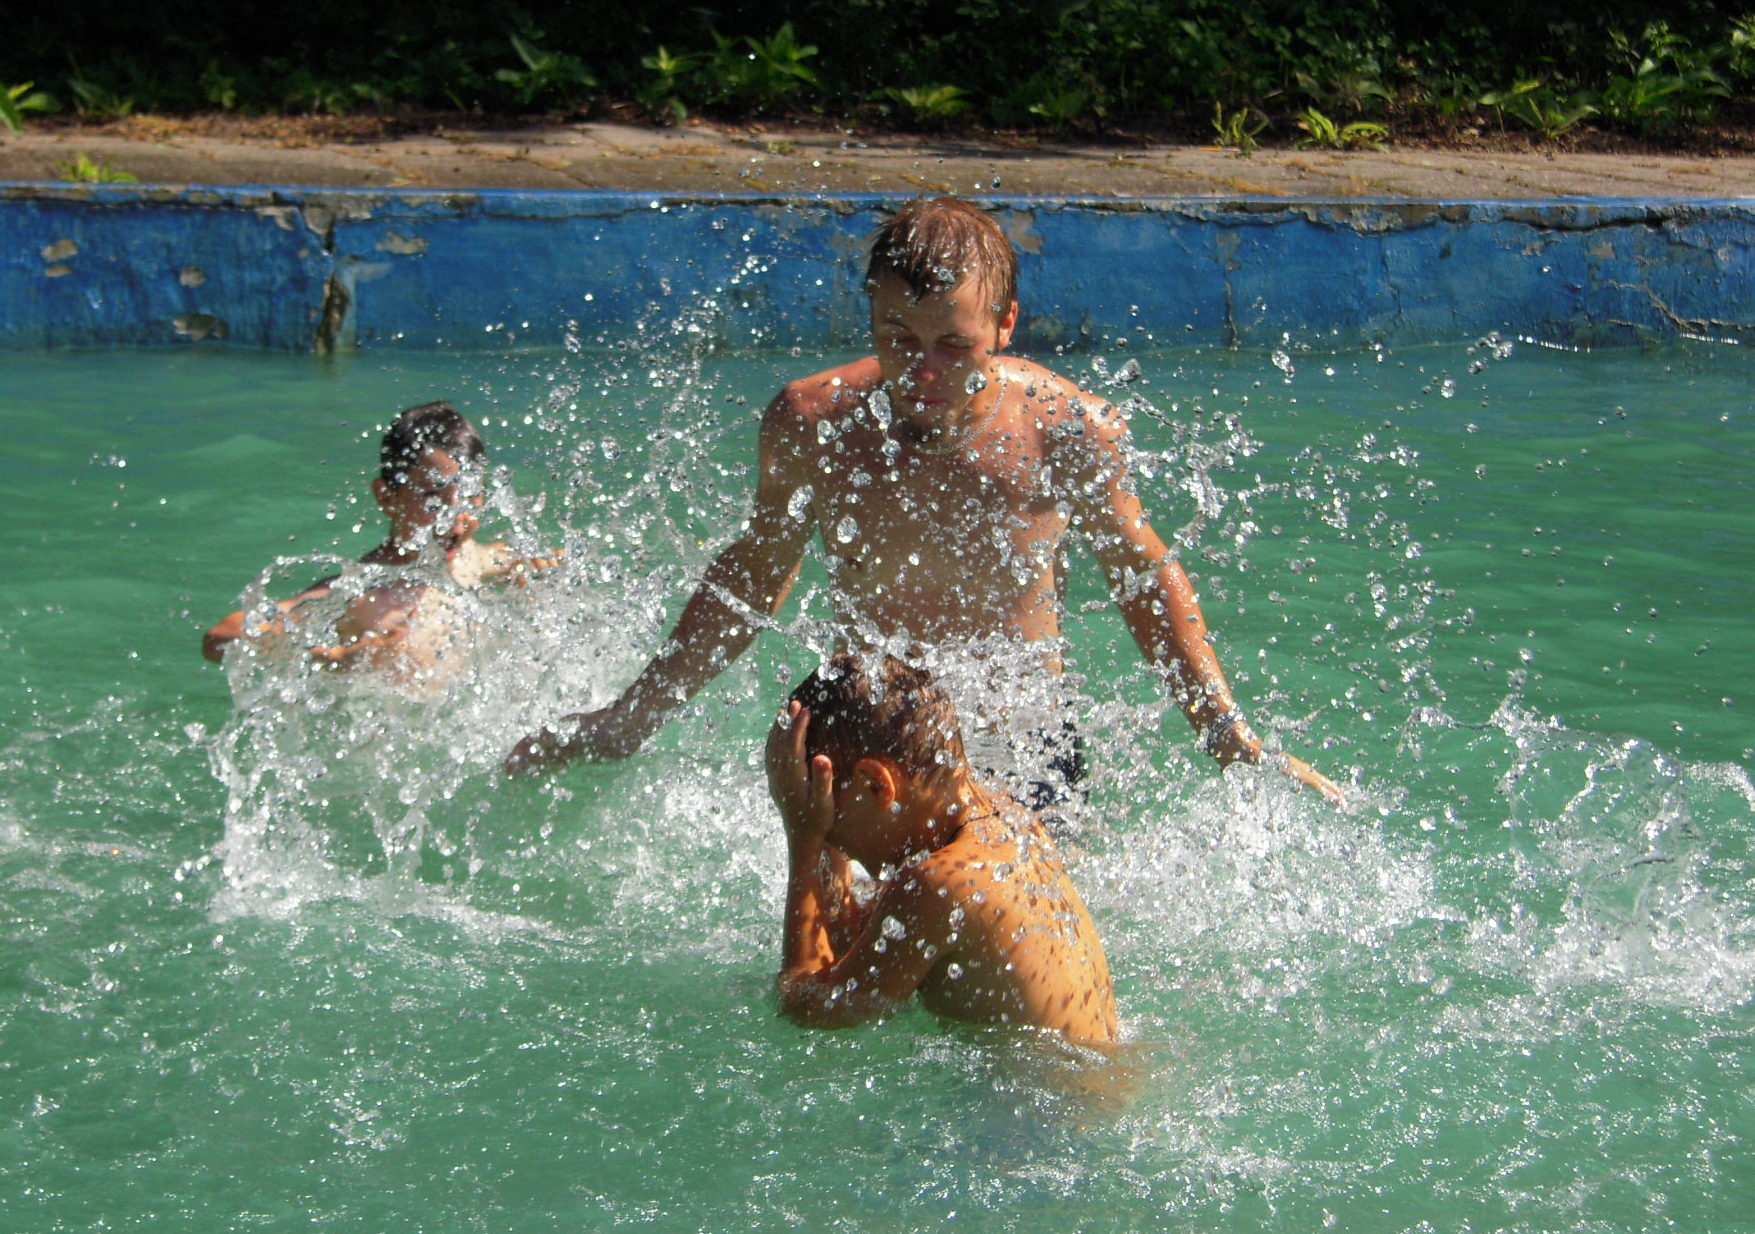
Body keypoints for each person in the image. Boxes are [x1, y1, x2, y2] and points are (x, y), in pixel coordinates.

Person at [506, 196, 1338, 803]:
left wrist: (1228, 737)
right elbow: (756, 573)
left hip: (1018, 743)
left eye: (953, 345)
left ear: (1005, 325)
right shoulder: (814, 423)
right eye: (899, 340)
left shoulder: (1066, 429)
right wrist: (632, 717)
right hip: (863, 733)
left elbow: (1144, 577)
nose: (923, 372)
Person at [767, 653, 1118, 1043]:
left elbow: (816, 1009)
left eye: (826, 805)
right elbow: (852, 943)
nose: (827, 829)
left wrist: (804, 836)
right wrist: (820, 833)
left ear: (876, 785)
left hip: (1040, 1085)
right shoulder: (1012, 822)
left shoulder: (936, 885)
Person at [202, 402, 553, 681]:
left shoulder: (473, 559)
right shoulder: (361, 593)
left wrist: (539, 568)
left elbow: (525, 561)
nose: (455, 517)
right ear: (387, 497)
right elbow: (221, 636)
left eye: (471, 495)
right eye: (433, 496)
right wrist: (335, 658)